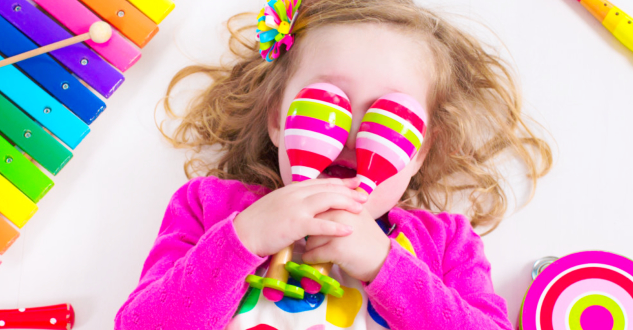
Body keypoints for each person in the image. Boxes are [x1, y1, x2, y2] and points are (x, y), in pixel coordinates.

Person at [117, 0, 551, 329]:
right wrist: (243, 239)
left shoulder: (447, 244)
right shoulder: (208, 206)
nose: (352, 134)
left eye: (390, 116)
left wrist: (385, 265)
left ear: (419, 150)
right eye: (326, 103)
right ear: (277, 120)